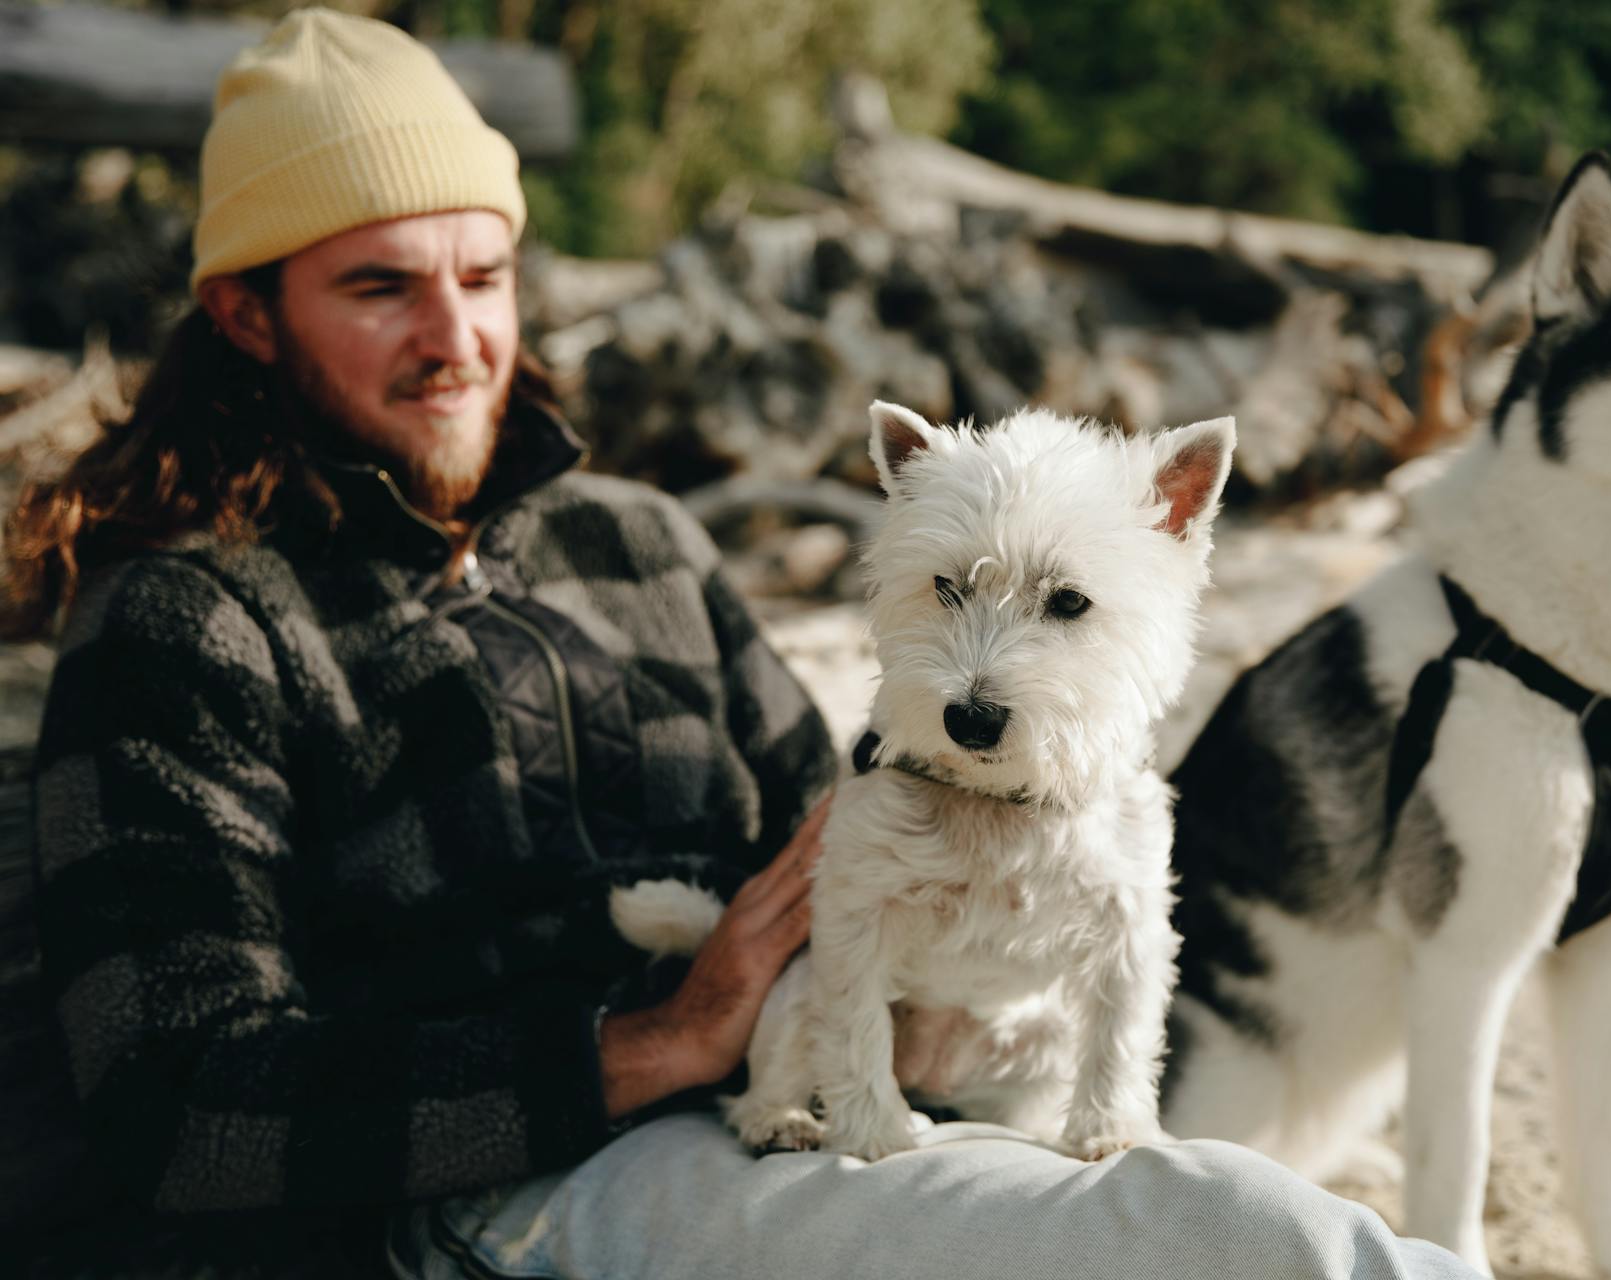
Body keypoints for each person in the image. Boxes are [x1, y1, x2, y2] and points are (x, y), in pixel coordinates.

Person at [11, 10, 1477, 1278]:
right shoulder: (183, 623)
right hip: (523, 1191)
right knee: (1233, 1248)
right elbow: (180, 1098)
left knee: (1195, 1194)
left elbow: (830, 816)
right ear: (246, 316)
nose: (456, 336)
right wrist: (651, 1046)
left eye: (484, 273)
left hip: (819, 1080)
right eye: (380, 286)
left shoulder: (641, 539)